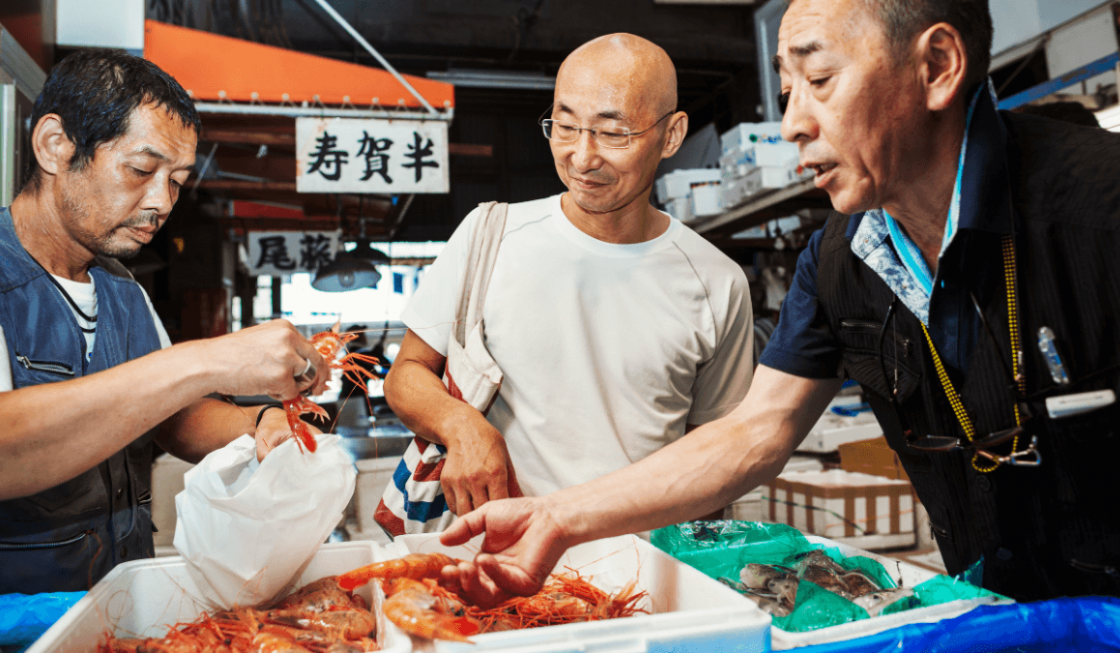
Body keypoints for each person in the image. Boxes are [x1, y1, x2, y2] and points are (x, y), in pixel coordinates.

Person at [439, 0, 1120, 610]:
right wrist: (555, 517)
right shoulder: (841, 256)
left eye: (819, 80)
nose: (792, 122)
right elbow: (754, 431)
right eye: (788, 88)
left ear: (937, 67)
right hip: (1000, 616)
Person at [380, 33, 753, 533]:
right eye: (565, 126)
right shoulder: (490, 234)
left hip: (645, 568)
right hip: (498, 552)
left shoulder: (717, 282)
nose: (582, 157)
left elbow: (714, 454)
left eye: (612, 133)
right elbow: (406, 374)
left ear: (671, 135)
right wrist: (459, 423)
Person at [0, 50, 330, 594]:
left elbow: (170, 416)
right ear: (55, 145)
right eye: (140, 169)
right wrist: (207, 359)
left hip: (121, 598)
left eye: (176, 181)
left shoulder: (123, 290)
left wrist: (261, 426)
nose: (161, 202)